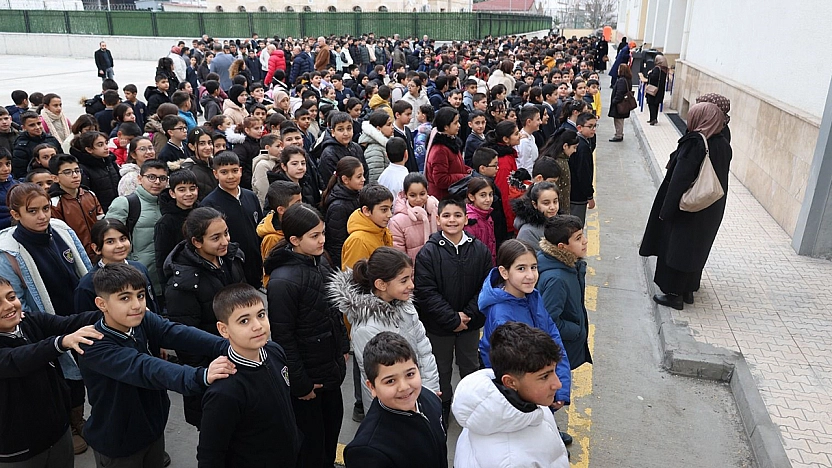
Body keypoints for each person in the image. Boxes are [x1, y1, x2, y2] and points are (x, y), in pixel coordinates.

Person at [77, 263, 234, 468]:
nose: (136, 305)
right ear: (102, 304)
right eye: (125, 298)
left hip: (152, 428)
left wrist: (228, 345)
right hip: (119, 442)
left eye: (140, 296)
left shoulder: (141, 320)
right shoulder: (95, 345)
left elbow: (176, 332)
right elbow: (145, 367)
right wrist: (202, 376)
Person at [0, 183, 93, 454]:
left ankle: (79, 417)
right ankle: (72, 422)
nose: (42, 216)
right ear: (15, 214)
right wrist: (47, 334)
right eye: (33, 211)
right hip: (46, 323)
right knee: (64, 379)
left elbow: (84, 266)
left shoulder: (62, 230)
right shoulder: (9, 252)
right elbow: (17, 303)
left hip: (75, 314)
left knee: (85, 371)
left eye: (45, 209)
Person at [265, 203, 348, 468]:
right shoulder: (282, 281)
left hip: (330, 367)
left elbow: (334, 311)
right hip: (308, 378)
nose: (322, 240)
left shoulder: (321, 261)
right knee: (310, 442)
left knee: (331, 429)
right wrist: (300, 384)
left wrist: (343, 347)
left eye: (322, 232)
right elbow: (283, 337)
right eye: (314, 236)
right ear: (294, 240)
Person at [478, 239, 573, 445]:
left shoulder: (532, 296)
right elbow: (516, 371)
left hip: (541, 384)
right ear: (504, 272)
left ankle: (549, 428)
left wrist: (561, 386)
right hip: (525, 392)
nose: (530, 275)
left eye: (534, 267)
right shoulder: (501, 315)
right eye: (521, 268)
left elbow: (553, 339)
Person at [0, 275, 103, 466]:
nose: (8, 306)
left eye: (11, 297)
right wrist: (61, 342)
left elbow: (68, 323)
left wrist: (110, 313)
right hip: (19, 449)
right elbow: (19, 359)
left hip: (58, 432)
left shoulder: (29, 322)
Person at [197, 283, 301, 468]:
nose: (257, 326)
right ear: (224, 329)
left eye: (261, 315)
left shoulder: (275, 352)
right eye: (244, 321)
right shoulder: (225, 391)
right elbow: (210, 455)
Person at [639, 102, 731, 310]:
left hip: (687, 206)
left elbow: (680, 179)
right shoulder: (722, 142)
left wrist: (666, 209)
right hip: (709, 206)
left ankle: (674, 295)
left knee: (675, 248)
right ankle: (688, 290)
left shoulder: (695, 143)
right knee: (695, 248)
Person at [328, 247, 441, 413]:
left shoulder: (405, 307)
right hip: (394, 407)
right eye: (403, 280)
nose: (411, 285)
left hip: (416, 394)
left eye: (410, 277)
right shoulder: (367, 328)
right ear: (381, 284)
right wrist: (411, 402)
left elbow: (424, 350)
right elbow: (379, 379)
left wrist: (429, 390)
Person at [163, 207, 245, 428]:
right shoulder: (183, 285)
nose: (225, 241)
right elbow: (187, 340)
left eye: (226, 233)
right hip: (215, 370)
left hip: (240, 356)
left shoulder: (231, 258)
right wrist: (210, 374)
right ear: (197, 242)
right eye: (216, 237)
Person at [414, 197, 492, 426]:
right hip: (439, 327)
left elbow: (486, 285)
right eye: (446, 216)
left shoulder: (479, 250)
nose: (452, 220)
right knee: (441, 370)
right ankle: (442, 409)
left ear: (466, 219)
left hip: (469, 324)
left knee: (471, 367)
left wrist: (467, 315)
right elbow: (426, 291)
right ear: (437, 220)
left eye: (457, 215)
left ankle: (471, 409)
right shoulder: (428, 253)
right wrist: (451, 318)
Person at [453, 322, 570, 468]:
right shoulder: (511, 462)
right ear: (510, 382)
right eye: (544, 377)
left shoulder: (496, 407)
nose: (558, 384)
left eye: (554, 371)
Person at [344, 332, 448, 468]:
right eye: (390, 381)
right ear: (372, 387)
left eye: (410, 374)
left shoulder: (429, 398)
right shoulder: (368, 451)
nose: (404, 387)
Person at [538, 215, 593, 373]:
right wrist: (576, 331)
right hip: (560, 350)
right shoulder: (557, 279)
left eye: (582, 235)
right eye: (578, 238)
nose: (585, 241)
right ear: (562, 247)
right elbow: (548, 321)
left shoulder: (565, 264)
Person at [201, 152, 263, 288]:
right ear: (215, 174)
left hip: (256, 264)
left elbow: (259, 228)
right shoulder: (209, 204)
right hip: (232, 267)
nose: (230, 176)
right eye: (224, 172)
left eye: (234, 171)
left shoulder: (250, 196)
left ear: (240, 171)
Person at [106, 160, 167, 297]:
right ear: (140, 179)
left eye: (162, 178)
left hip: (163, 278)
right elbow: (108, 239)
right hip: (135, 278)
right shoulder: (126, 203)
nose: (157, 182)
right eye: (151, 177)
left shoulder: (168, 203)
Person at [74, 218, 158, 317]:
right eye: (110, 242)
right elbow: (86, 321)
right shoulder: (88, 284)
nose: (119, 245)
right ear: (96, 248)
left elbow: (153, 305)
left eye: (123, 239)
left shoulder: (139, 268)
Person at [48, 154, 104, 257]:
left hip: (99, 250)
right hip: (75, 254)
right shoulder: (54, 203)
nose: (75, 175)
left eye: (77, 171)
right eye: (67, 172)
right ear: (55, 178)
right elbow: (59, 236)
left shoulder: (90, 194)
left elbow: (101, 222)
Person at [154, 169, 199, 282]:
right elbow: (162, 259)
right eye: (182, 190)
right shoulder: (165, 223)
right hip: (181, 278)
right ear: (172, 193)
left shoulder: (203, 213)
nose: (188, 194)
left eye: (192, 188)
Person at [322, 156, 364, 269]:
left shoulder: (355, 194)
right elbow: (336, 243)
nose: (363, 179)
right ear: (345, 179)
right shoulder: (338, 207)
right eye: (359, 176)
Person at [341, 184, 394, 269]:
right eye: (384, 210)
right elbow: (354, 278)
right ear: (366, 211)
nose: (390, 215)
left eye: (390, 209)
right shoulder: (358, 241)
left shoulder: (382, 230)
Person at [389, 173, 438, 262]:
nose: (418, 199)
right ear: (405, 194)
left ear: (427, 191)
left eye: (422, 194)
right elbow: (399, 256)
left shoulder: (436, 212)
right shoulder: (397, 222)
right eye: (413, 195)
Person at [426, 107, 469, 200]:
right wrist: (464, 177)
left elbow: (455, 166)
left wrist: (469, 171)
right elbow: (441, 180)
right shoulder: (440, 150)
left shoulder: (451, 142)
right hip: (443, 199)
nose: (459, 125)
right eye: (455, 123)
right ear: (446, 127)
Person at [74, 131, 121, 211]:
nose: (106, 147)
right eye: (100, 145)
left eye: (106, 143)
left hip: (118, 206)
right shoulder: (84, 169)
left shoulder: (110, 162)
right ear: (89, 149)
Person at [512, 181, 560, 253]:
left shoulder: (562, 222)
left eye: (555, 202)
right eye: (546, 203)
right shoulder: (528, 232)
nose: (552, 207)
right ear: (535, 204)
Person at [12, 111, 61, 180]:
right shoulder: (21, 146)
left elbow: (62, 159)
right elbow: (20, 172)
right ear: (24, 127)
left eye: (39, 123)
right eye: (32, 125)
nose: (37, 127)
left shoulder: (51, 140)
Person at [570, 112, 597, 223]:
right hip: (578, 195)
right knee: (576, 224)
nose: (593, 129)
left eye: (595, 126)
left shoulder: (578, 141)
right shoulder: (583, 147)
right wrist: (589, 196)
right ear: (579, 128)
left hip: (573, 192)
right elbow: (584, 173)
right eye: (590, 126)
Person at [360, 111, 393, 184]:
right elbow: (375, 179)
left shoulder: (384, 143)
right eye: (389, 125)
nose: (392, 127)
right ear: (378, 128)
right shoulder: (374, 150)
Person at [608, 63, 633, 142]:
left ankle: (618, 135)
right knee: (620, 120)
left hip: (620, 104)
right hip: (623, 103)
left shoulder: (621, 81)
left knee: (618, 120)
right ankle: (619, 134)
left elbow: (620, 93)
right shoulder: (628, 79)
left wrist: (614, 101)